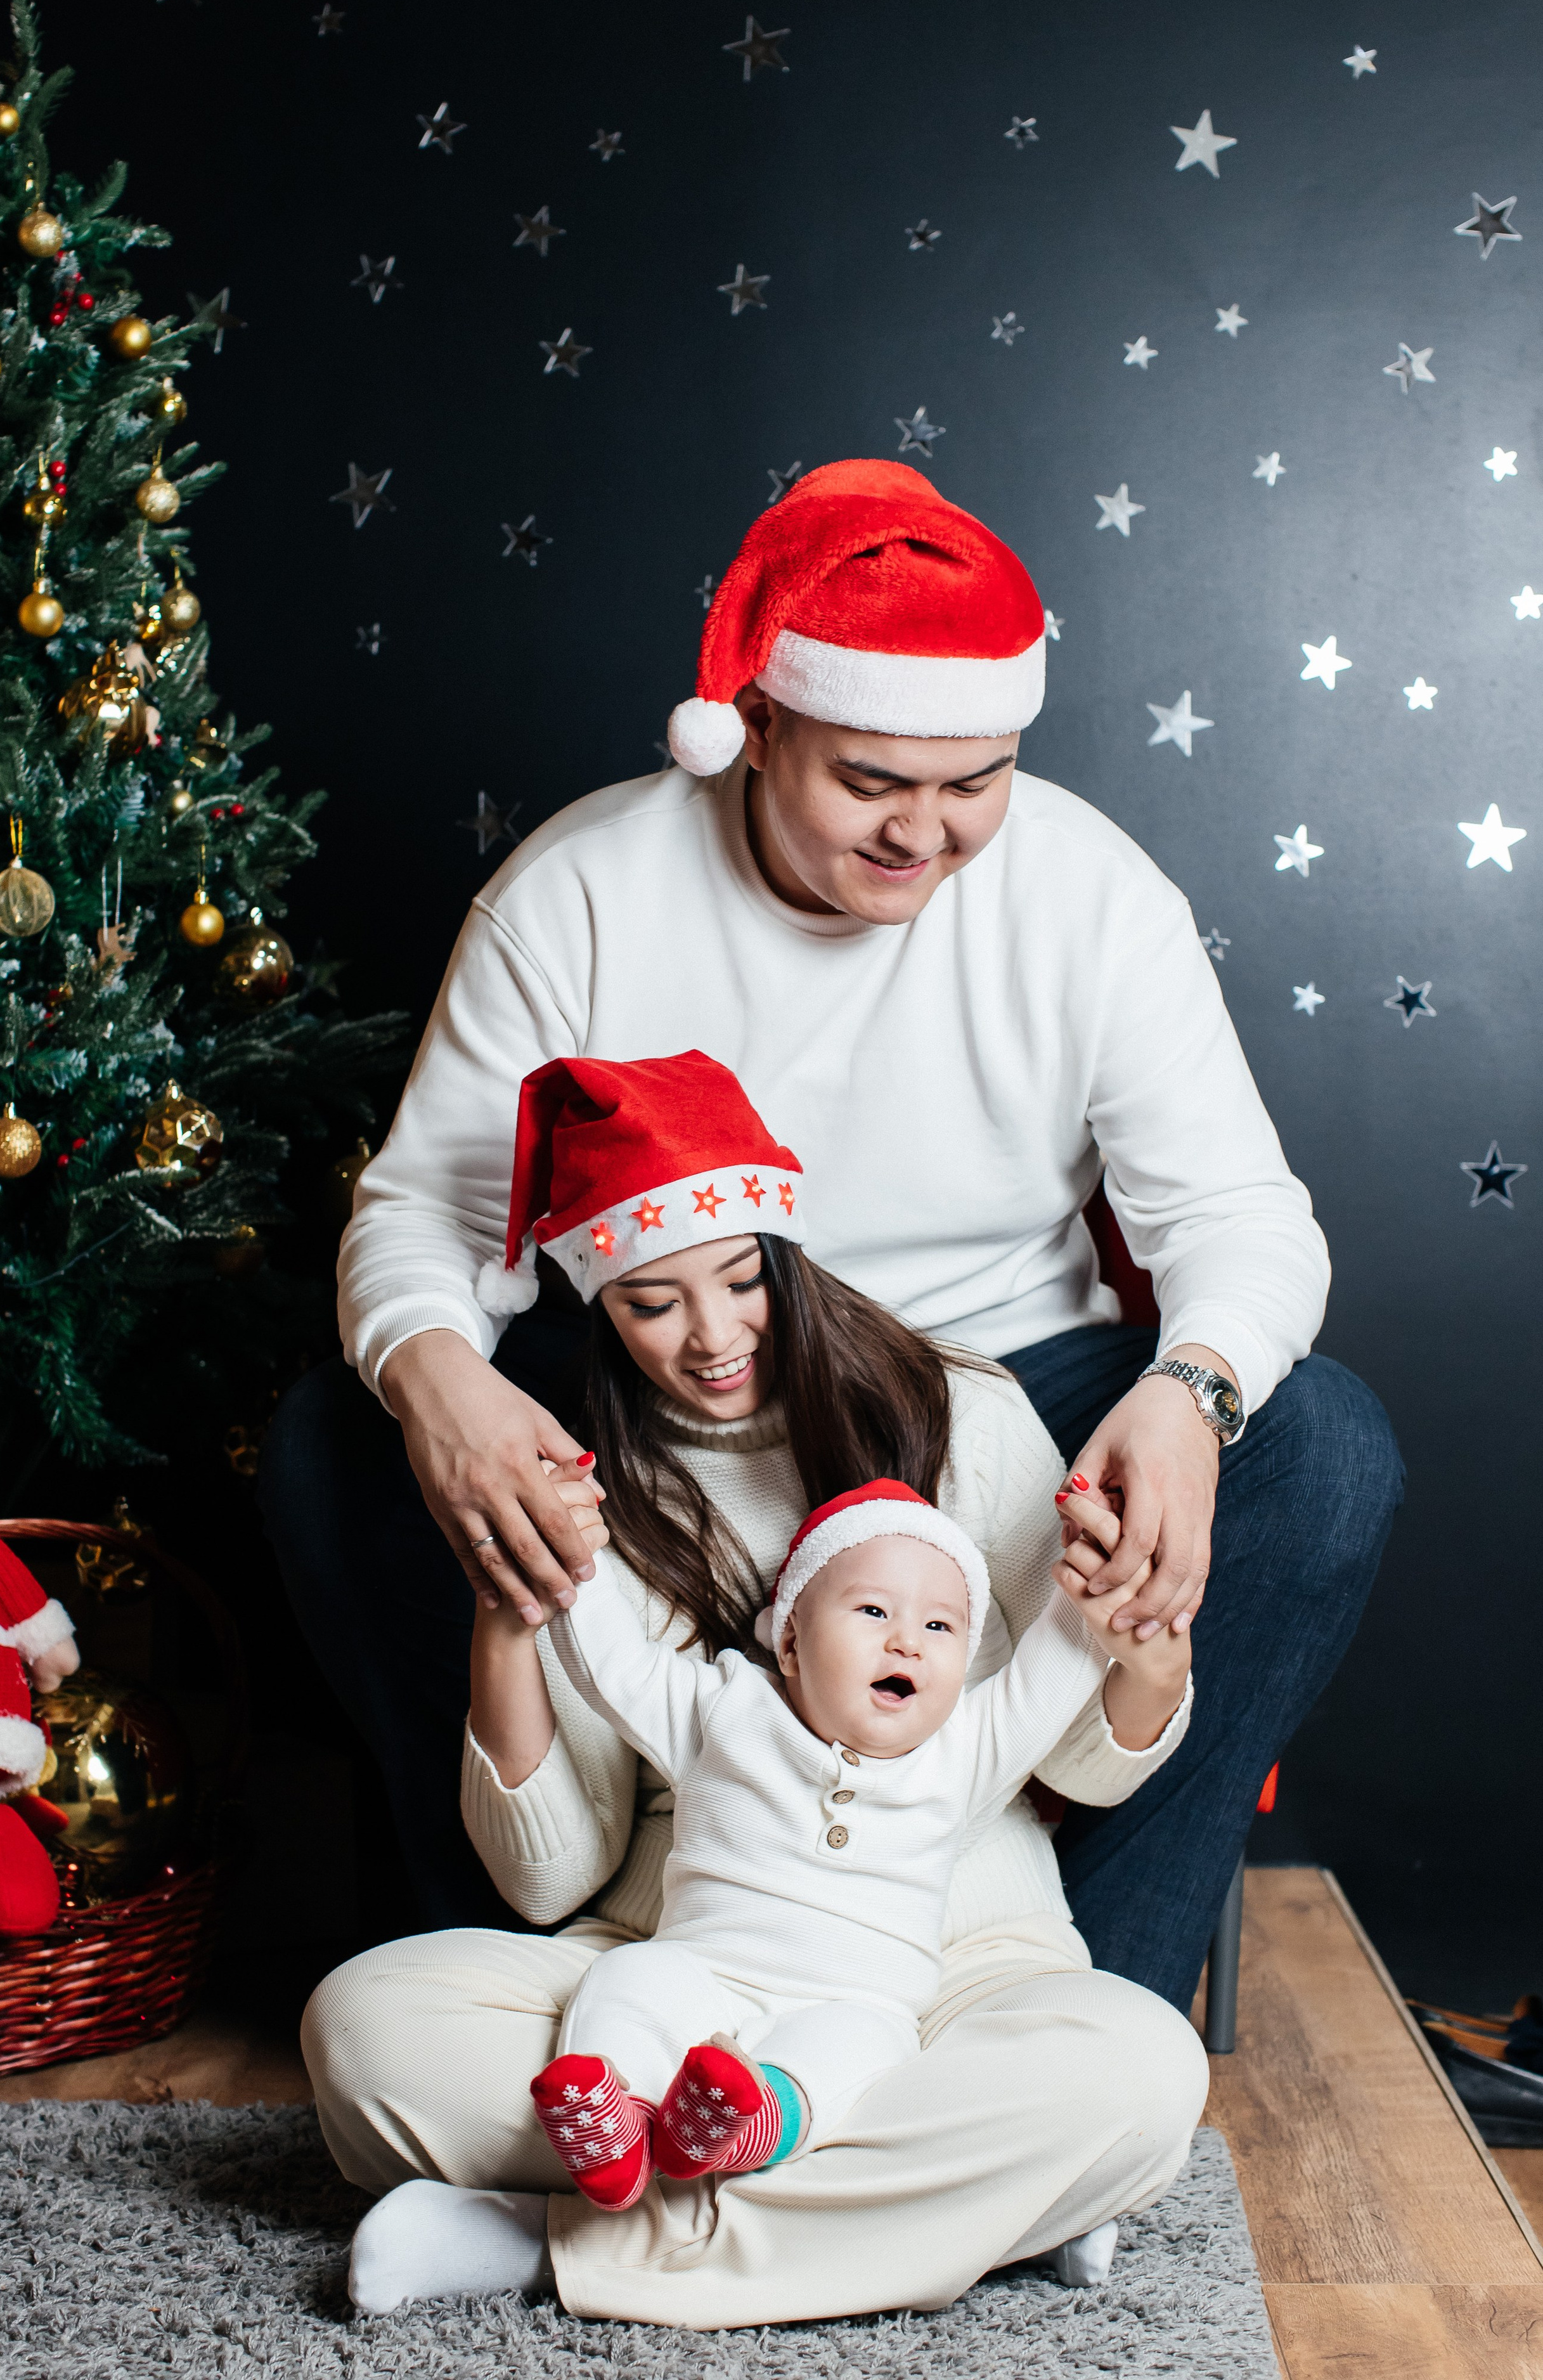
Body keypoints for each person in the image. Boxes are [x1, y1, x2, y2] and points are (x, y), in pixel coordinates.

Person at [262, 455, 1403, 2006]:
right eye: (869, 782)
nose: (922, 834)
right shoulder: (581, 889)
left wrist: (1189, 1398)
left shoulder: (1089, 891)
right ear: (756, 725)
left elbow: (1237, 1215)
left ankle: (1070, 2000)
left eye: (972, 783)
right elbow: (423, 1214)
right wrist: (436, 1382)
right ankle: (520, 1977)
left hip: (995, 1392)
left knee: (1321, 1450)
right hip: (672, 1402)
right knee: (341, 1441)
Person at [306, 1052, 1209, 2329]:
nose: (716, 1337)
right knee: (366, 2032)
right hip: (673, 1953)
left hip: (955, 1964)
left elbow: (1072, 1760)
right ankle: (981, 2208)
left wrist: (1147, 1651)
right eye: (652, 1302)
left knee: (1139, 2072)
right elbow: (550, 1881)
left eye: (742, 1280)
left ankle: (533, 2242)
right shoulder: (590, 1497)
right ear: (599, 1305)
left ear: (787, 1253)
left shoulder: (965, 1412)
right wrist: (511, 1614)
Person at [529, 1473, 1190, 2209]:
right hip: (703, 1969)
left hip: (851, 2003)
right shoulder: (721, 1710)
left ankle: (748, 2126)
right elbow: (612, 1666)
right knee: (627, 1981)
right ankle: (618, 2134)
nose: (907, 1640)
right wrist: (572, 1544)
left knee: (866, 2050)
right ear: (789, 1641)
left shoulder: (964, 1750)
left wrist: (1096, 1576)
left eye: (940, 1627)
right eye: (874, 1611)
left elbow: (1052, 1672)